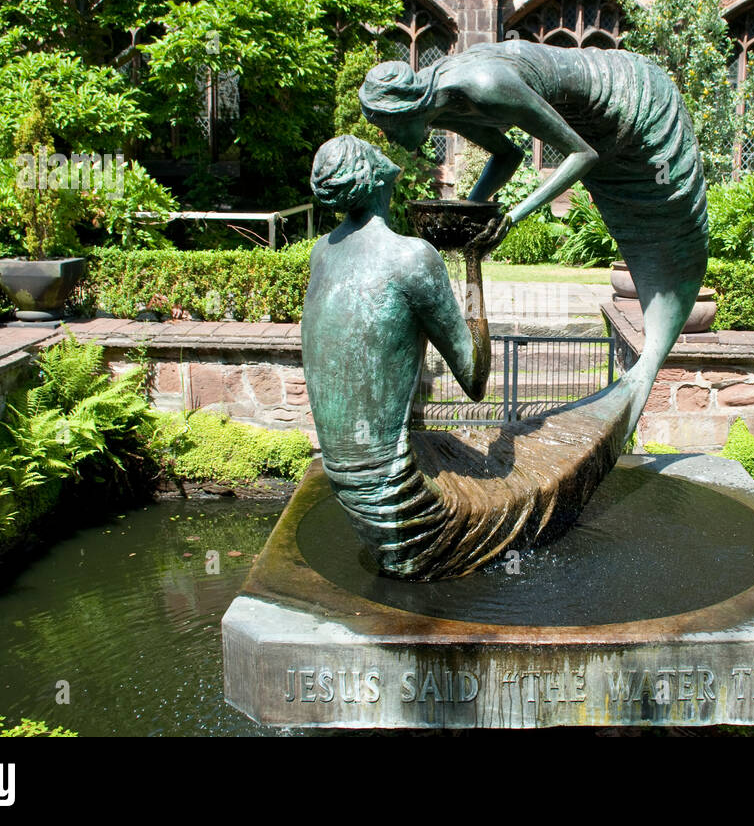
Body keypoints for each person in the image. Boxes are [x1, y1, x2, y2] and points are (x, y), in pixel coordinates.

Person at [359, 39, 708, 431]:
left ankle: (641, 378)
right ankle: (630, 395)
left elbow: (582, 155)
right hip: (594, 126)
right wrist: (471, 209)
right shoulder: (444, 103)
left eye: (387, 128)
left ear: (406, 108)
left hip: (635, 111)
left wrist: (513, 216)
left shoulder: (483, 85)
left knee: (665, 237)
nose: (390, 140)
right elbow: (508, 156)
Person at [303, 134, 496, 578]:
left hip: (348, 493)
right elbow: (475, 379)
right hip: (401, 507)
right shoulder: (410, 257)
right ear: (375, 180)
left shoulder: (322, 253)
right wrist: (472, 260)